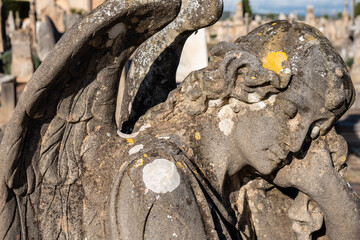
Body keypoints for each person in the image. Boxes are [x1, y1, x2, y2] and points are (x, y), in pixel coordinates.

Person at [111, 20, 359, 239]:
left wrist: (326, 188)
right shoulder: (159, 181)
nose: (296, 144)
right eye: (290, 113)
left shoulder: (247, 185)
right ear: (243, 80)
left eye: (313, 130)